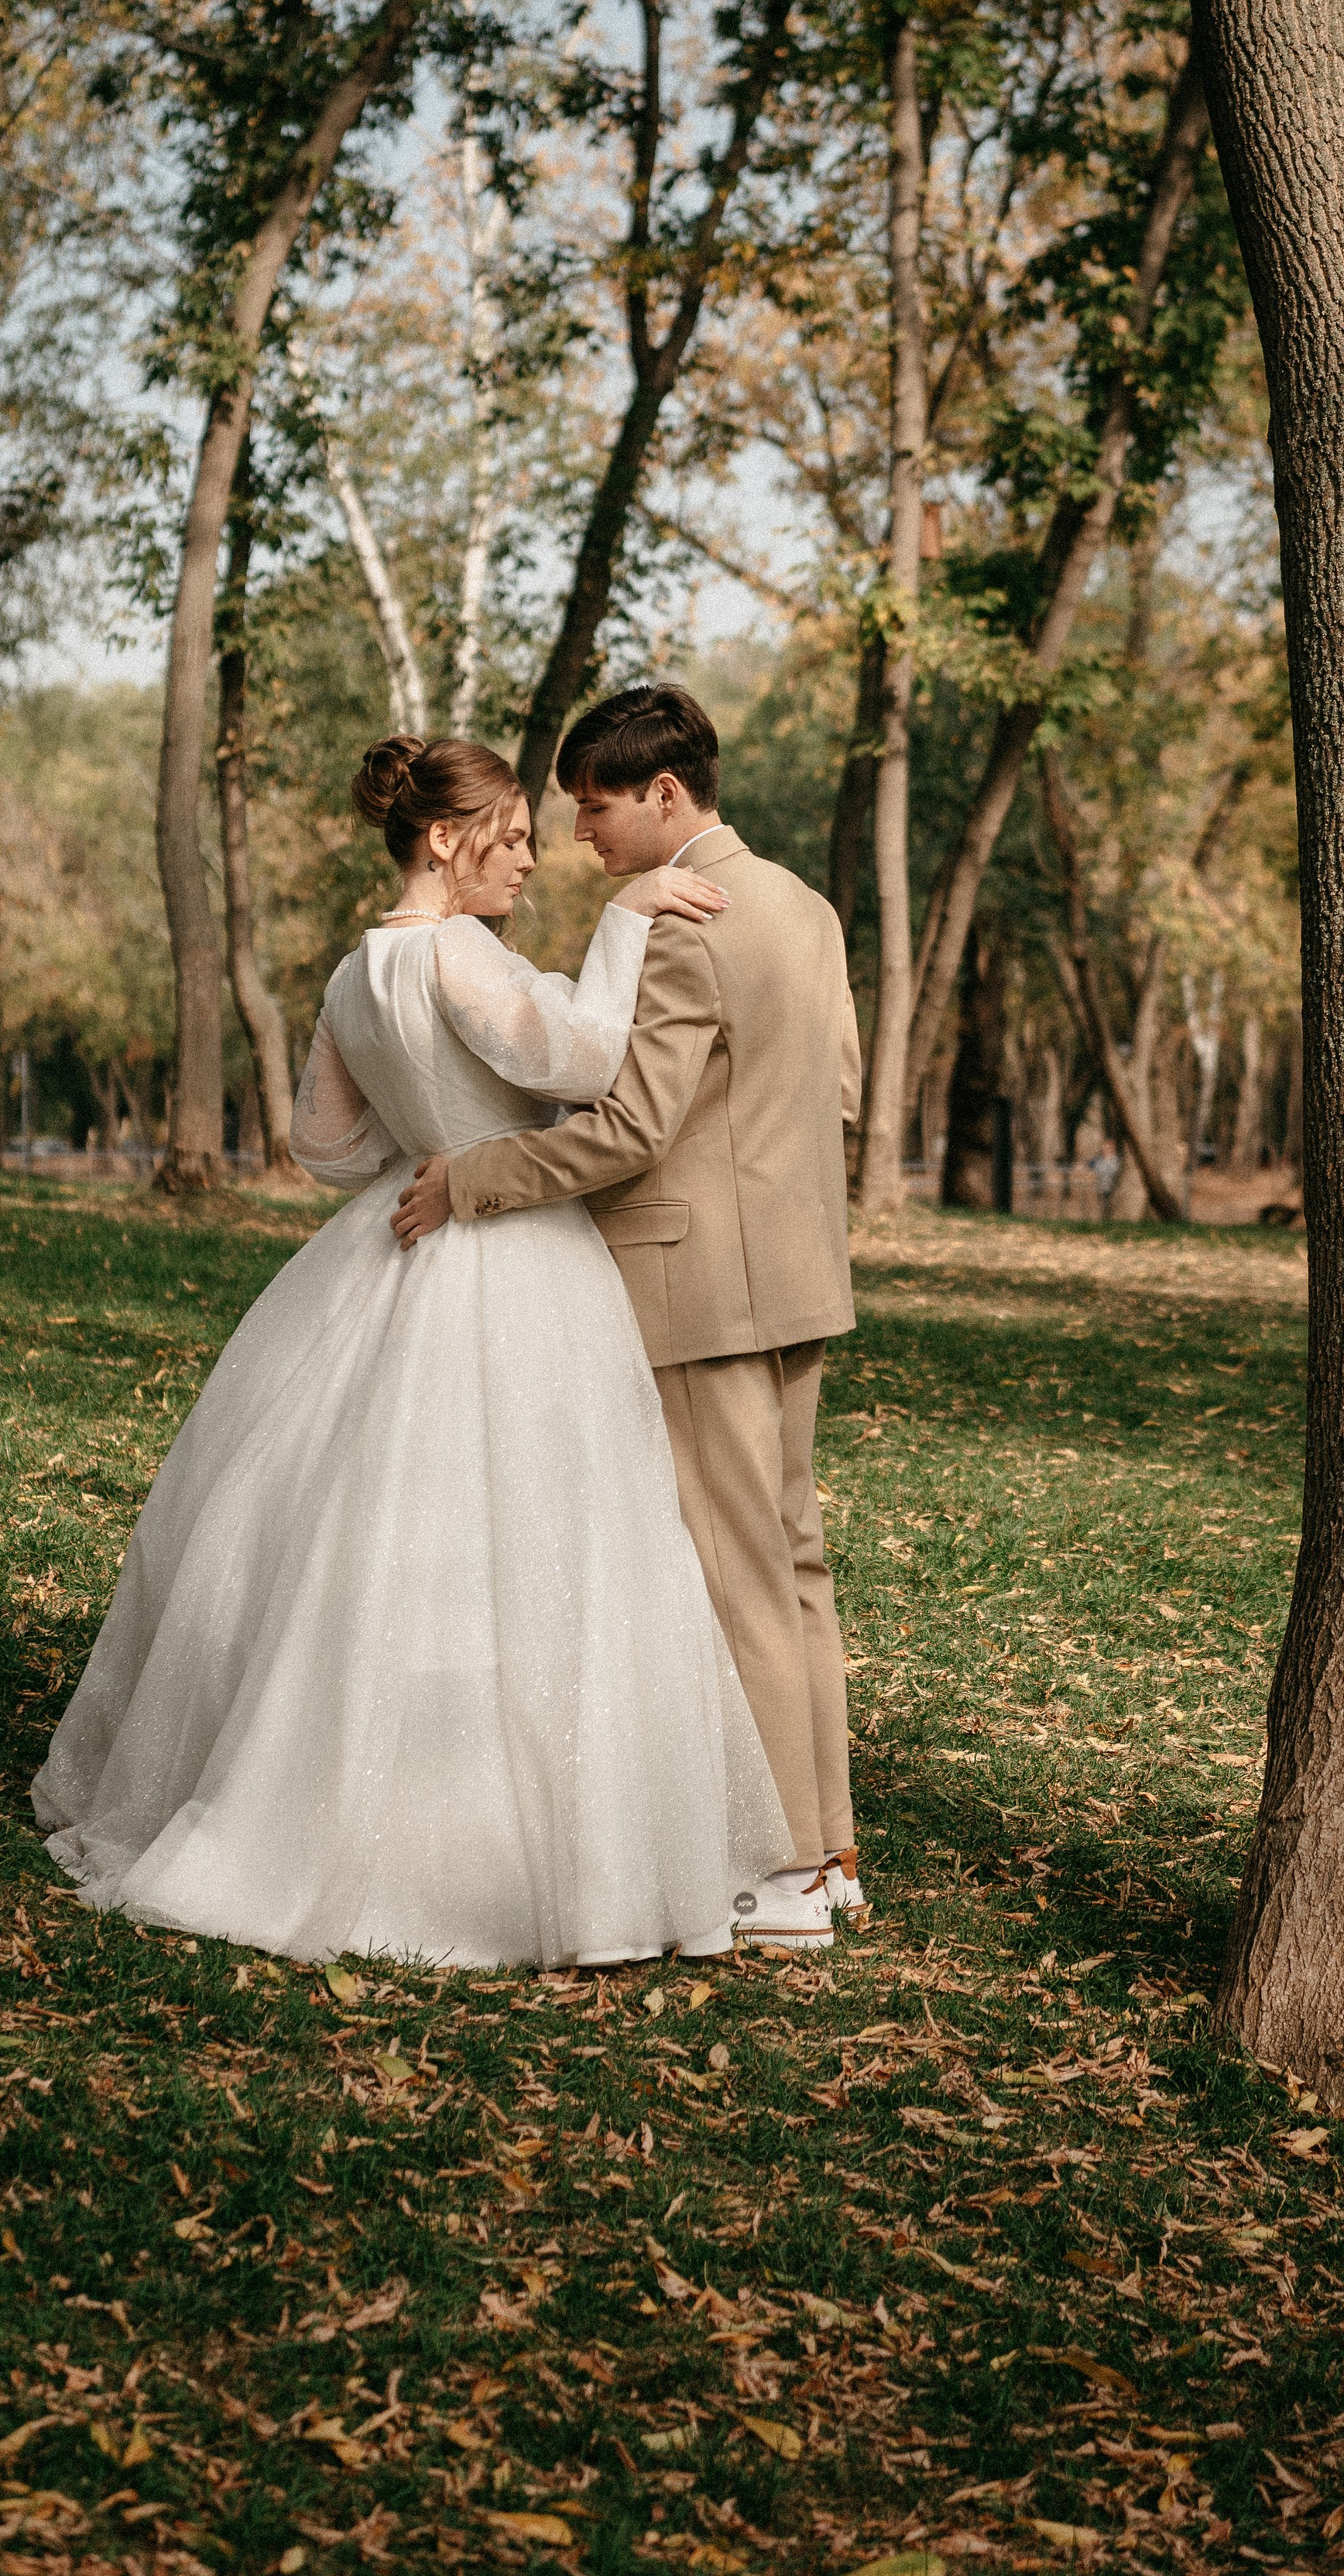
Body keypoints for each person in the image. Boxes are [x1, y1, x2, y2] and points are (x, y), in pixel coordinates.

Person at [33, 736, 790, 1971]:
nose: (531, 861)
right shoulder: (456, 952)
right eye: (510, 838)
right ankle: (496, 1853)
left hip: (390, 1248)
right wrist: (626, 922)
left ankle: (374, 1798)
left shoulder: (353, 973)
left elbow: (325, 1148)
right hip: (516, 1258)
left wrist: (421, 1132)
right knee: (532, 1537)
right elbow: (587, 1061)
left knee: (372, 1541)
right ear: (445, 839)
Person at [393, 685, 865, 1953]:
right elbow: (841, 1092)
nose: (585, 836)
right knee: (793, 1564)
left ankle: (779, 1872)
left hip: (692, 1284)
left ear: (666, 794)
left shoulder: (680, 928)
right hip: (799, 1276)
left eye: (597, 809)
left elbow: (634, 1128)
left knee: (733, 1575)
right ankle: (831, 1849)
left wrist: (477, 1178)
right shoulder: (806, 909)